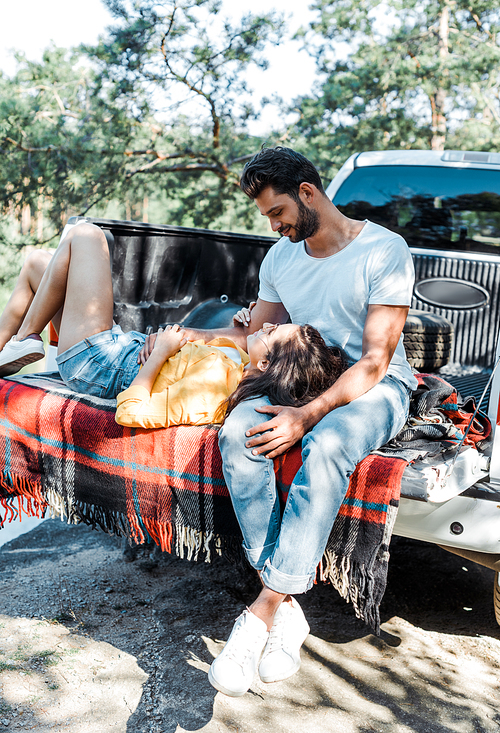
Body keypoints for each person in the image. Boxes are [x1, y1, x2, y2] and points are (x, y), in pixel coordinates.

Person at [159, 146, 417, 698]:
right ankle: (290, 608)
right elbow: (254, 337)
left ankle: (258, 616)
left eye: (277, 213)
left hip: (376, 384)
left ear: (307, 192)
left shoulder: (384, 250)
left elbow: (374, 362)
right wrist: (187, 338)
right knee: (237, 435)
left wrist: (307, 416)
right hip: (294, 374)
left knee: (324, 448)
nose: (274, 227)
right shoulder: (281, 258)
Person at [0, 225, 346, 430]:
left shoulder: (214, 391)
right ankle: (11, 348)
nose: (268, 324)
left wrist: (161, 353)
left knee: (87, 235)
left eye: (272, 332)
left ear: (266, 365)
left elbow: (131, 412)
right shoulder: (239, 364)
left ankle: (26, 337)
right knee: (37, 264)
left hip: (99, 364)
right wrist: (242, 322)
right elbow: (233, 341)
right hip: (115, 347)